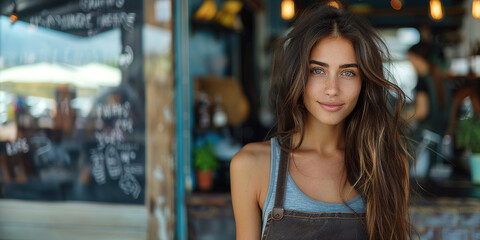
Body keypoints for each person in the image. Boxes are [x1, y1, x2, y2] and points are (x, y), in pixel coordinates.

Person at [230, 6, 412, 240]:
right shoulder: (252, 166)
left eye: (348, 73)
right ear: (297, 75)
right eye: (317, 70)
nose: (332, 89)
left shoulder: (388, 167)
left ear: (364, 82)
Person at [405, 42, 452, 178]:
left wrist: (399, 117)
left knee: (418, 184)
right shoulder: (441, 79)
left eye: (411, 60)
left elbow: (421, 111)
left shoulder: (423, 82)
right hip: (437, 141)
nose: (411, 64)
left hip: (423, 142)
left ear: (417, 58)